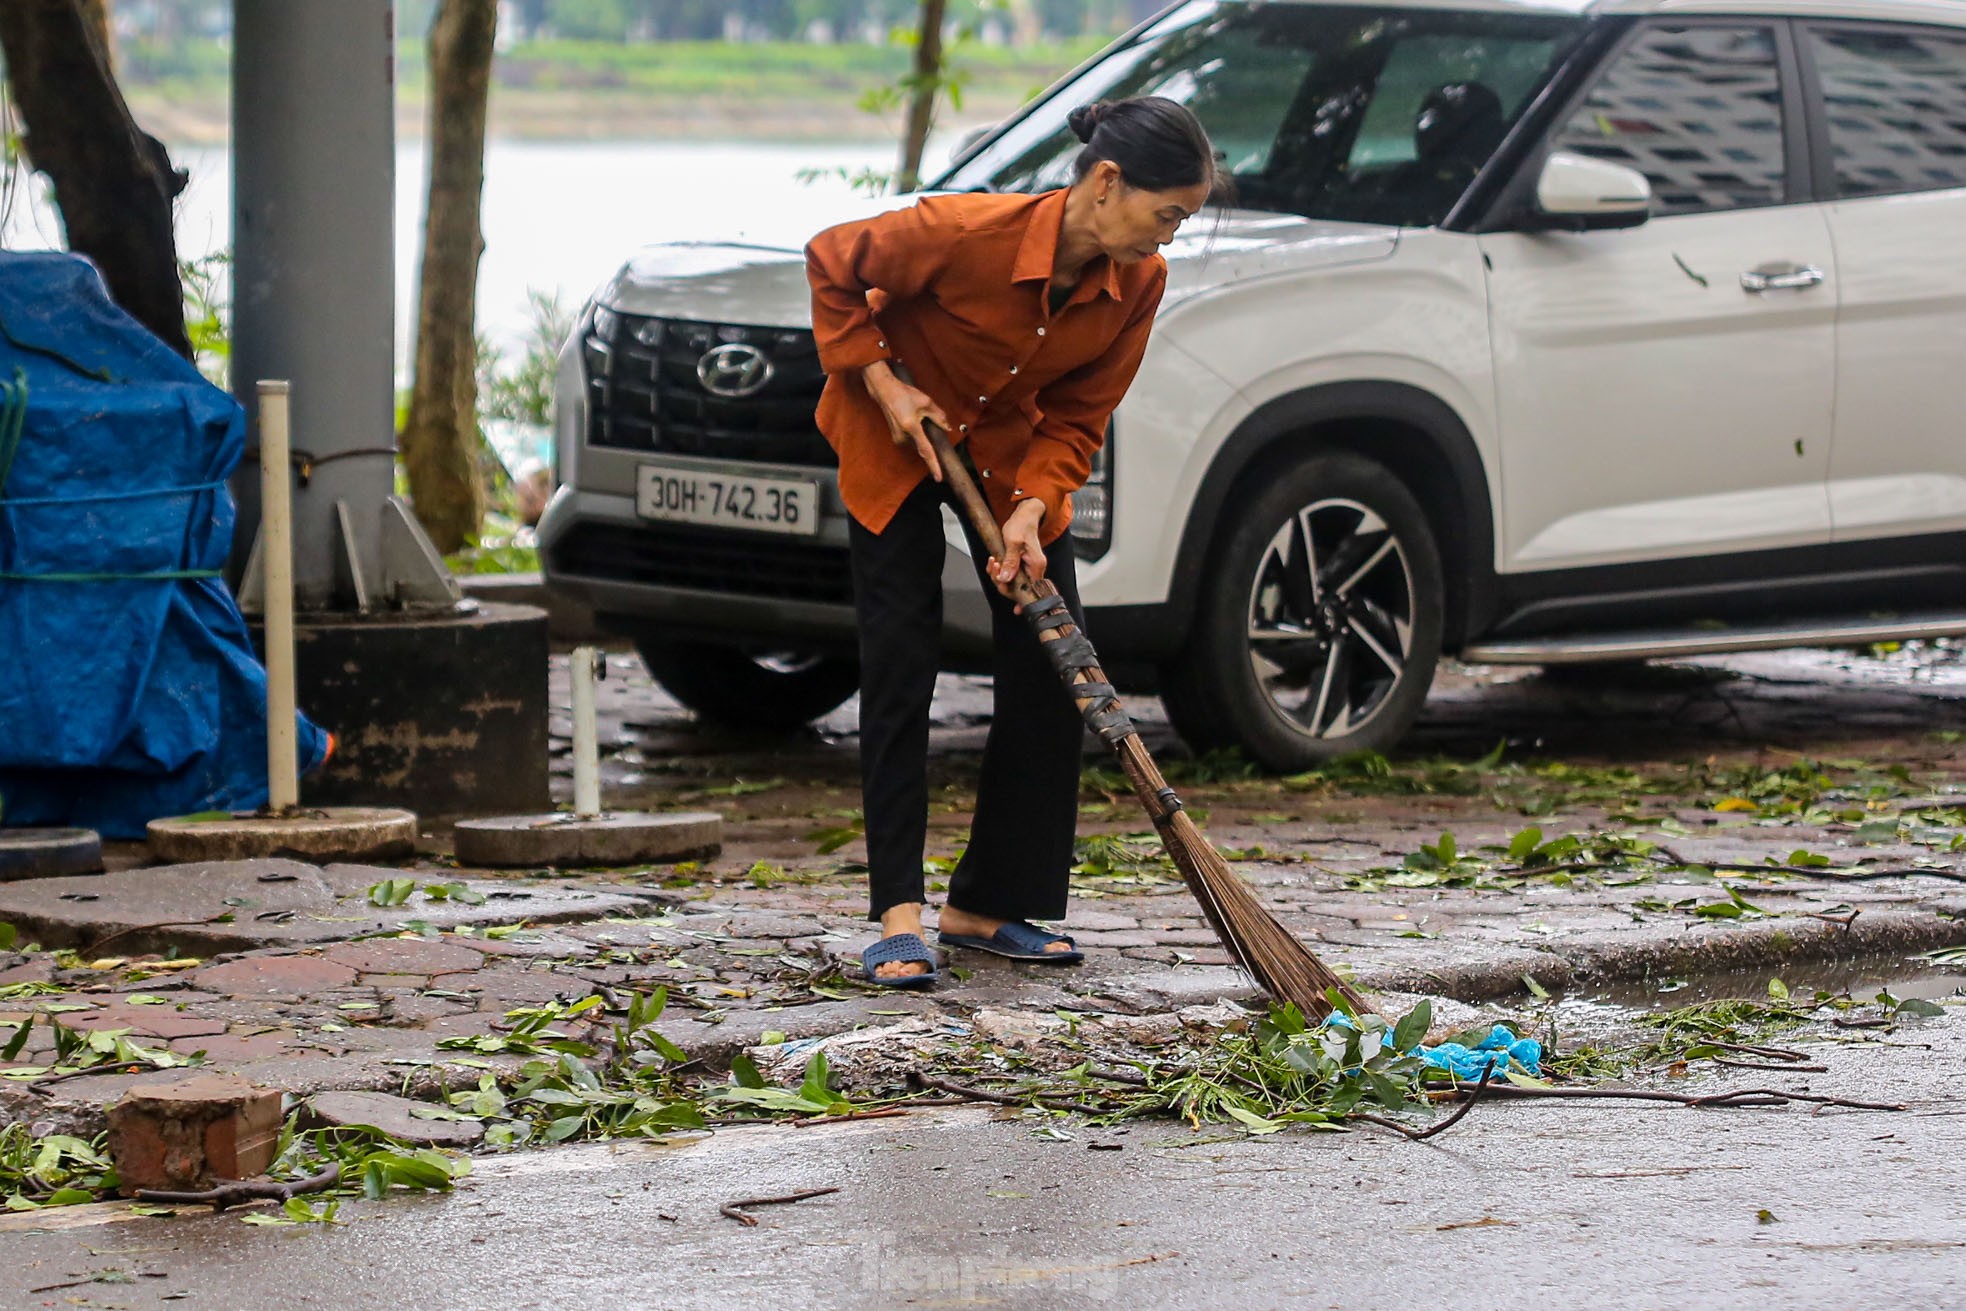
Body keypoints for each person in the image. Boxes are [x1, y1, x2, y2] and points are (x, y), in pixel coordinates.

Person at [804, 96, 1218, 987]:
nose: (1170, 237)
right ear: (1107, 183)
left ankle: (988, 903)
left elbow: (1080, 410)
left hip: (1002, 458)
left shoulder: (1137, 282)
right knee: (902, 658)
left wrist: (1035, 506)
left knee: (1046, 667)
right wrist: (884, 385)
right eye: (1168, 214)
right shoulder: (959, 229)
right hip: (895, 434)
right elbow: (831, 263)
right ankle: (897, 912)